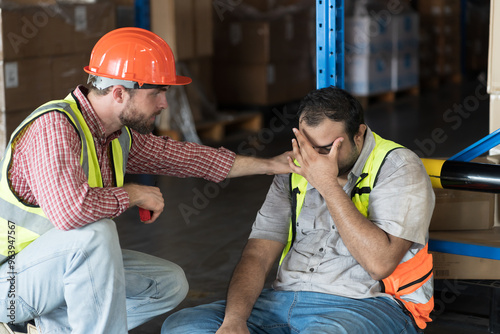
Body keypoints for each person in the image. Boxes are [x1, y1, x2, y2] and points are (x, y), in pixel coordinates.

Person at [0, 27, 292, 334]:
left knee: (167, 282)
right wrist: (134, 193)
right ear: (119, 93)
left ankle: (42, 329)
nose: (164, 103)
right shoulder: (55, 127)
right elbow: (70, 212)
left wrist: (270, 164)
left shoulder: (115, 135)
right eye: (156, 92)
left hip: (49, 275)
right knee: (95, 234)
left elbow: (187, 158)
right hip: (10, 285)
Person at [162, 86, 436, 334]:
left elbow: (380, 264)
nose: (315, 159)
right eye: (309, 147)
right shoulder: (295, 167)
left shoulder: (398, 166)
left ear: (359, 134)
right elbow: (258, 254)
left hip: (366, 304)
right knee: (183, 327)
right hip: (283, 300)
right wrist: (235, 320)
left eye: (328, 148)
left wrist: (327, 184)